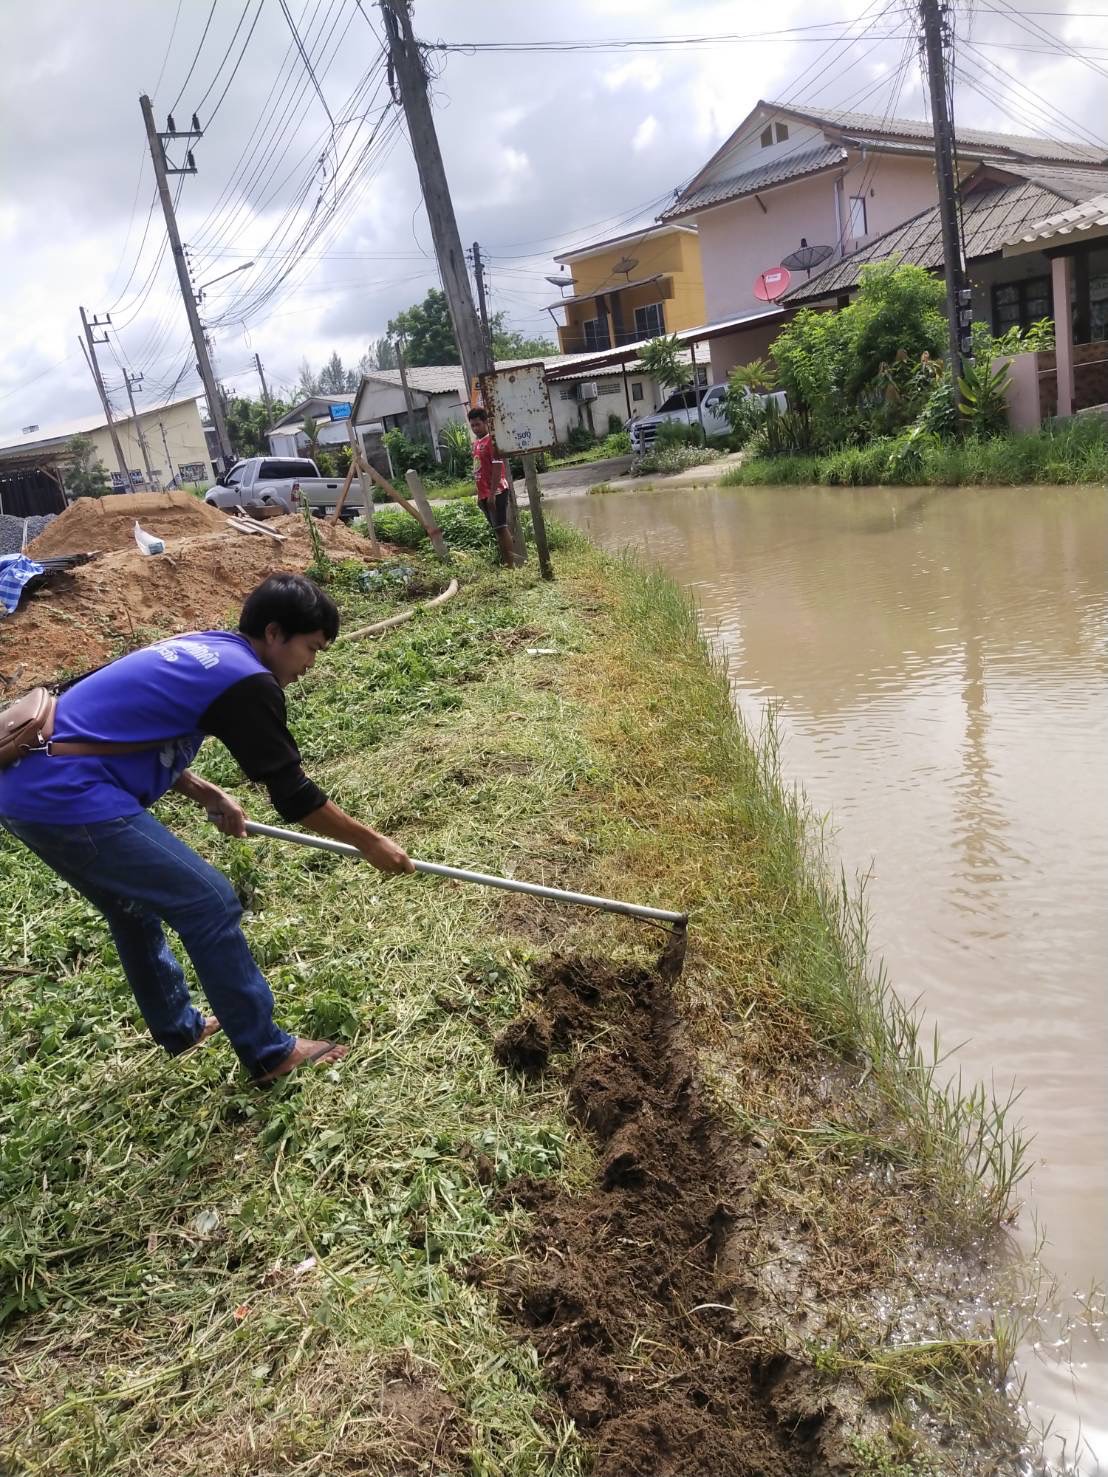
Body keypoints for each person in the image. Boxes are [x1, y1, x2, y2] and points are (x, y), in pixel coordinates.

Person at [0, 574, 412, 1086]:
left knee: (133, 908)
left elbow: (127, 732)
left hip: (28, 788)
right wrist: (370, 841)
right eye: (310, 648)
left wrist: (209, 792)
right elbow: (293, 795)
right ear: (275, 632)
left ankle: (180, 1029)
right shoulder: (248, 682)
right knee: (210, 902)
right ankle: (268, 1054)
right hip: (67, 796)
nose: (310, 665)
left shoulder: (207, 648)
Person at [467, 405, 517, 567]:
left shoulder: (492, 441)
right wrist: (480, 495)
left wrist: (492, 494)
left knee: (501, 528)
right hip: (484, 494)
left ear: (486, 422)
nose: (475, 428)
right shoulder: (476, 444)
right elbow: (479, 470)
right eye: (472, 425)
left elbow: (497, 468)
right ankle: (507, 561)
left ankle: (511, 565)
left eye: (478, 424)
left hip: (496, 492)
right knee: (498, 529)